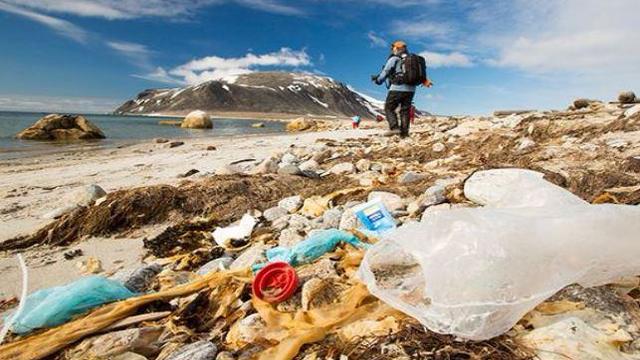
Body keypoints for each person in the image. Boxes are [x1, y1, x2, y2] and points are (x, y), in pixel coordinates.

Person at [372, 40, 431, 138]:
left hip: (397, 88)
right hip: (411, 90)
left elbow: (385, 71)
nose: (392, 50)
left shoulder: (395, 58)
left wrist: (378, 80)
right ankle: (404, 134)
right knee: (405, 111)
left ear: (397, 48)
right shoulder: (412, 60)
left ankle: (394, 127)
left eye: (393, 48)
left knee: (389, 108)